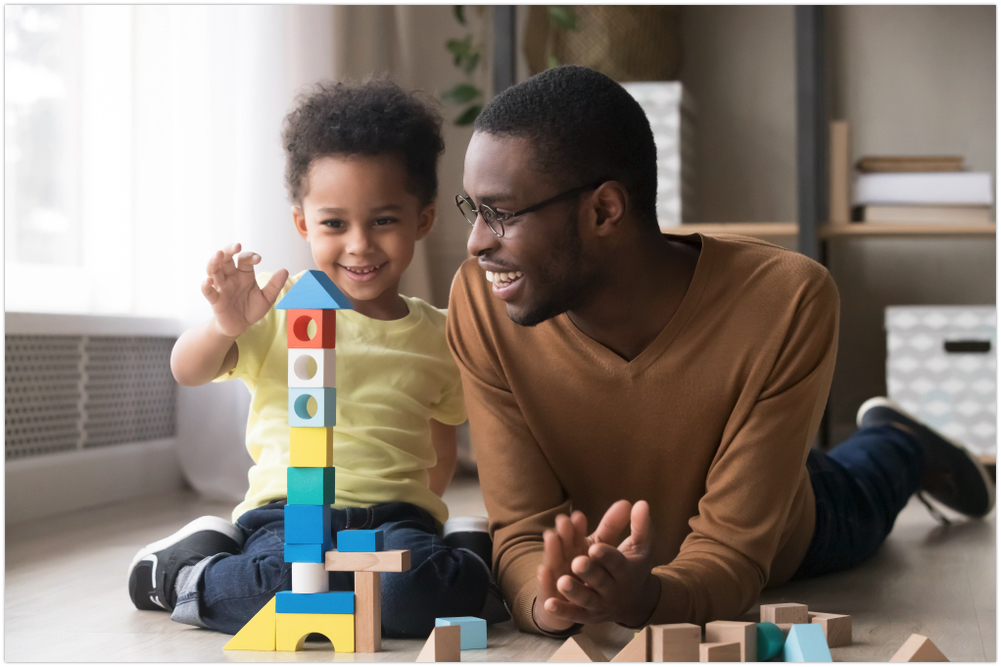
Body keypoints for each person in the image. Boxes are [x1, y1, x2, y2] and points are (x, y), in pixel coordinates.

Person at [445, 65, 995, 637]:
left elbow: (735, 555)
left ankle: (900, 441)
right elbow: (521, 530)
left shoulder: (786, 299)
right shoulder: (483, 304)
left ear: (605, 210)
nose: (476, 242)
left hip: (779, 530)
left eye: (501, 213)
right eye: (474, 209)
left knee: (864, 487)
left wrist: (647, 598)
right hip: (647, 532)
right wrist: (552, 601)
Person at [127, 78, 506, 638]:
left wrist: (424, 512)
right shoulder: (276, 310)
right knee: (276, 589)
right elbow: (188, 369)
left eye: (383, 220)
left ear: (422, 220)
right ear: (303, 223)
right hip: (285, 516)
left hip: (395, 519)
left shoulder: (438, 333)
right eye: (334, 224)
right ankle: (187, 569)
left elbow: (440, 439)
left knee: (411, 598)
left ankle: (463, 552)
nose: (359, 244)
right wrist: (226, 325)